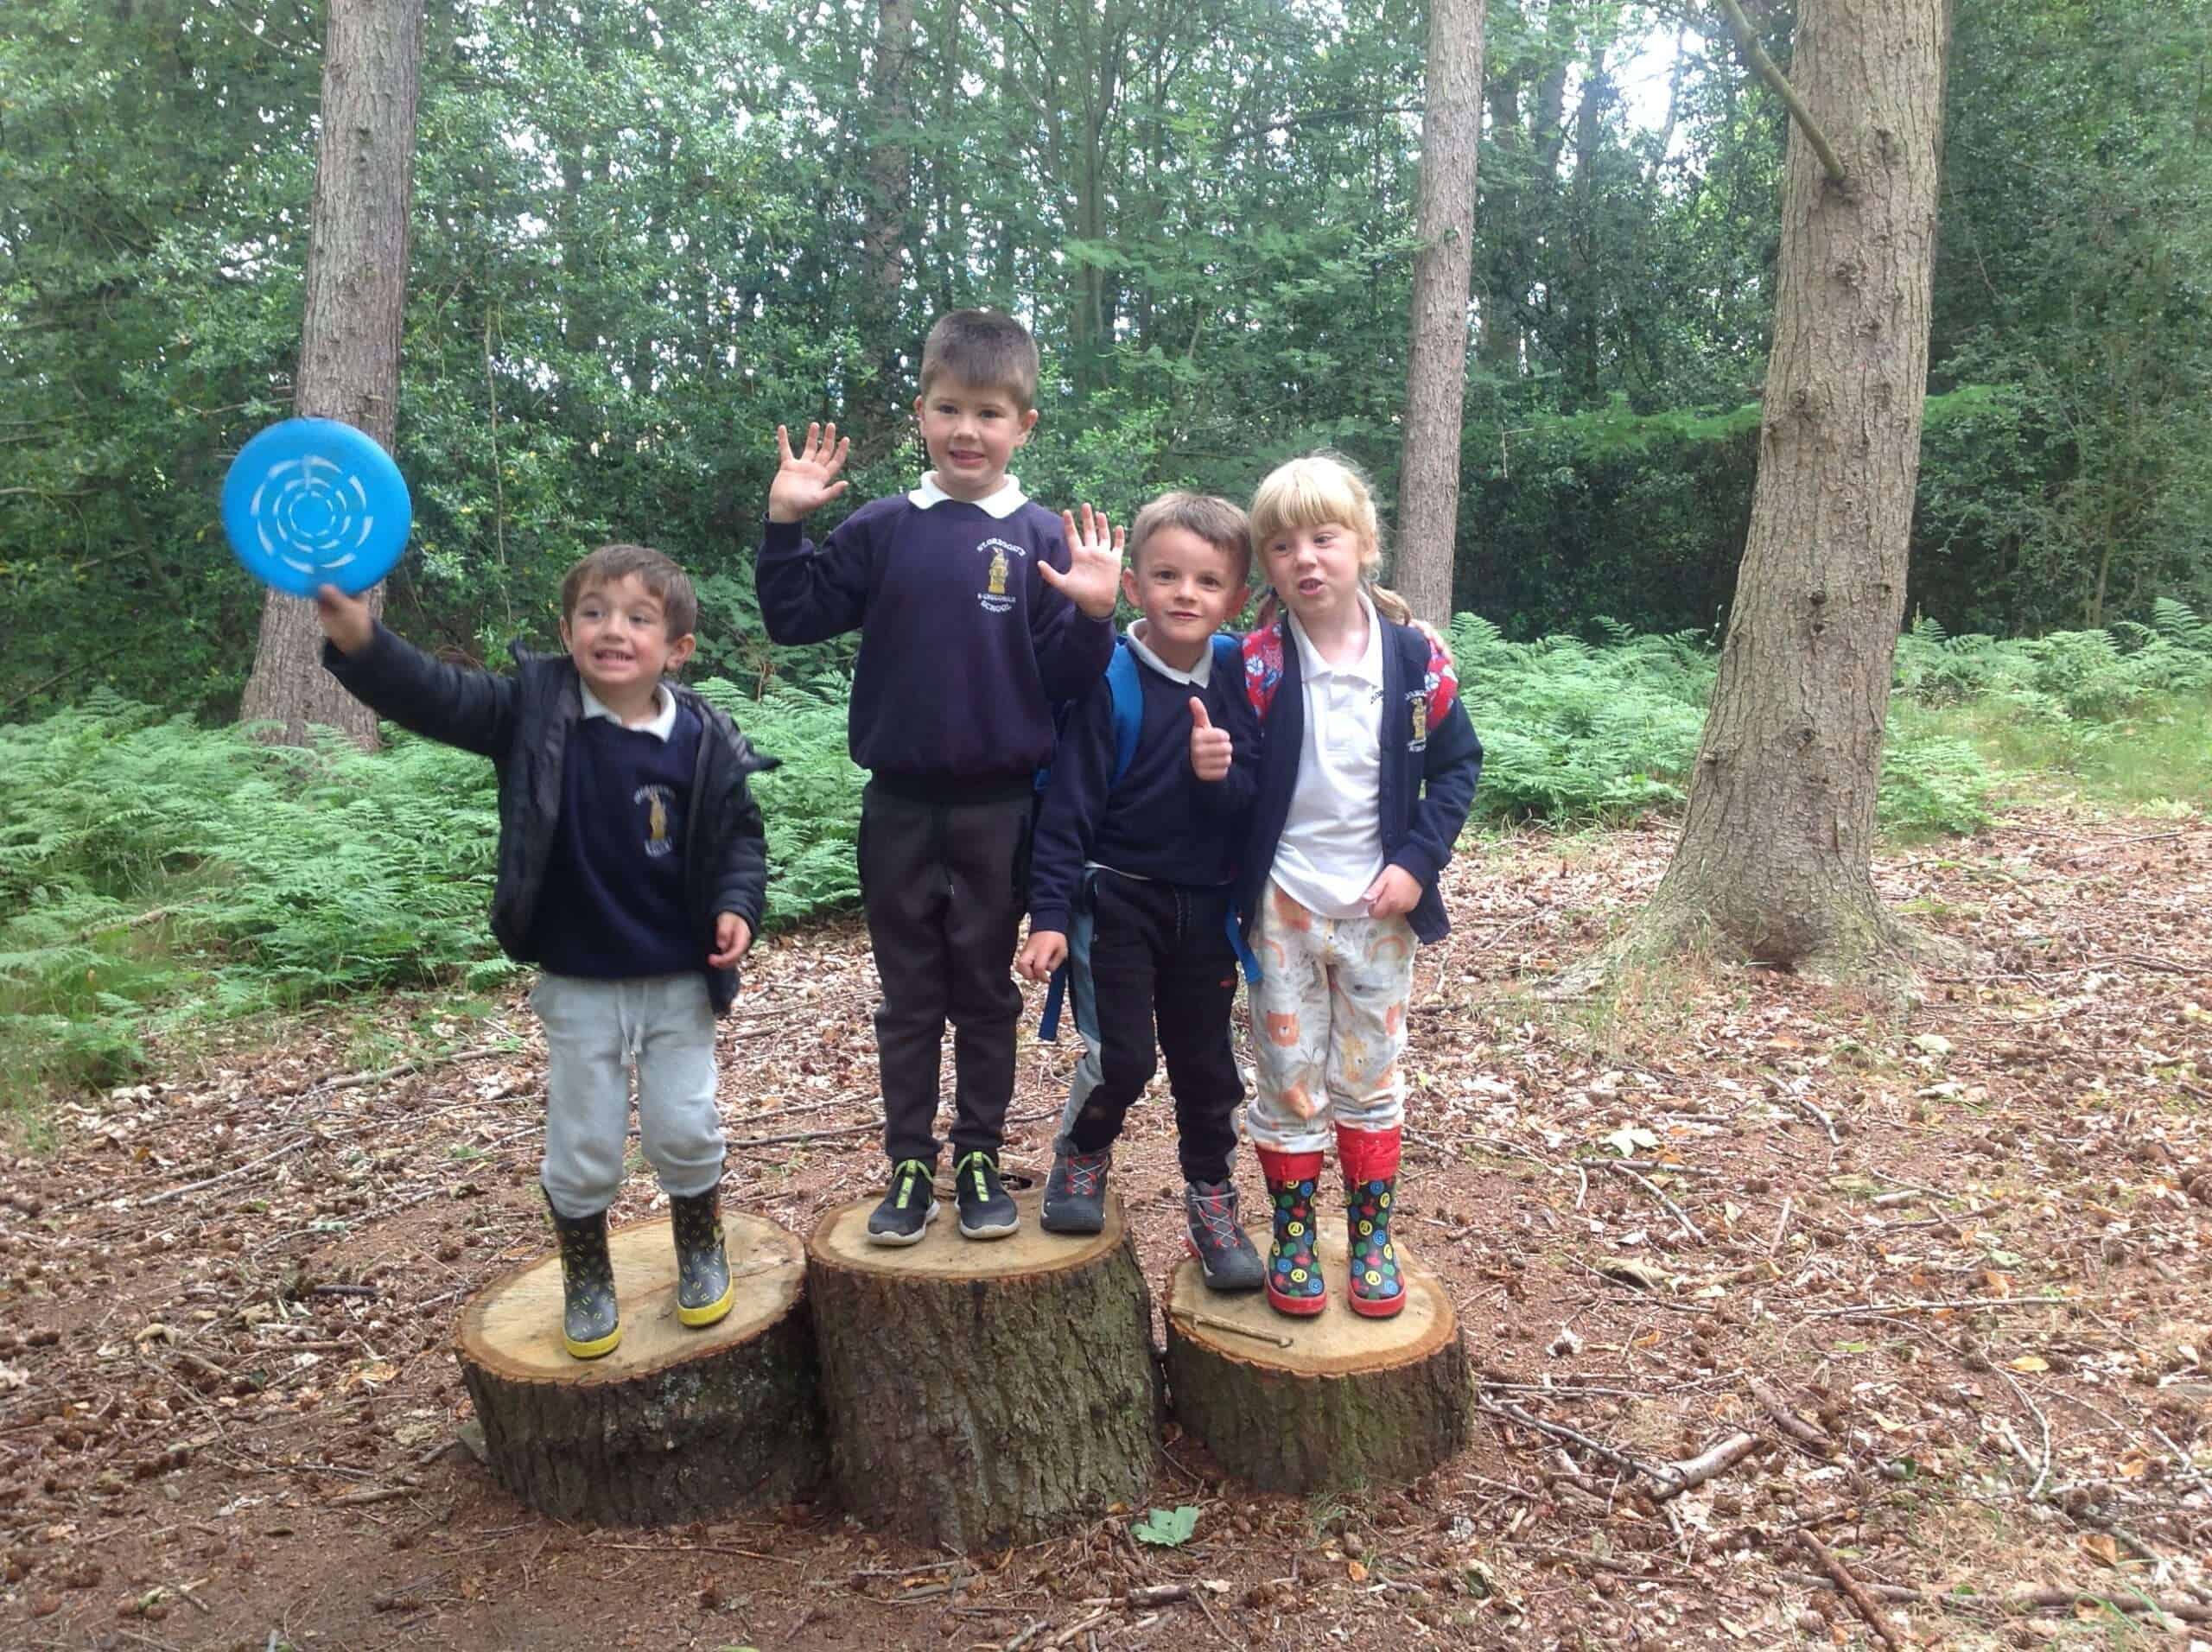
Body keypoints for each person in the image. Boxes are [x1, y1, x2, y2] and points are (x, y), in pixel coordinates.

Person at [316, 544, 772, 1358]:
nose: (613, 630)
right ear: (566, 632)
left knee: (685, 1126)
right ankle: (587, 1272)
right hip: (579, 978)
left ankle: (700, 1246)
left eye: (638, 618)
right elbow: (435, 694)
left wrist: (738, 906)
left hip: (680, 979)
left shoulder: (704, 736)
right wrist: (360, 639)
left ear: (677, 648)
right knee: (585, 1141)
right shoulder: (531, 711)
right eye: (594, 613)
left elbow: (739, 836)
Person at [755, 308, 1122, 1243]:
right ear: (920, 412)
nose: (968, 430)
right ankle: (910, 1162)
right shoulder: (884, 528)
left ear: (1023, 426)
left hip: (1001, 812)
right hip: (899, 808)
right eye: (950, 408)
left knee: (986, 994)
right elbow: (795, 617)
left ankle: (979, 1156)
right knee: (911, 997)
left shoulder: (1042, 538)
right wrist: (786, 525)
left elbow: (1068, 683)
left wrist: (1093, 617)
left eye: (990, 413)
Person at [1233, 454, 1483, 1319]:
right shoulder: (1256, 666)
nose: (1304, 558)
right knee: (1287, 1075)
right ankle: (1294, 1234)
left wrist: (1417, 862)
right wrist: (1211, 769)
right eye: (1281, 546)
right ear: (1266, 566)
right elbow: (1235, 789)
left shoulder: (1415, 660)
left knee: (1370, 1076)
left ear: (1365, 544)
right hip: (1282, 908)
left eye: (1323, 538)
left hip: (1381, 907)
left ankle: (1371, 1237)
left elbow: (1458, 765)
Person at [1016, 492, 1265, 1290]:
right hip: (1118, 901)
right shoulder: (1109, 680)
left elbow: (1256, 800)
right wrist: (1050, 914)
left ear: (1235, 597)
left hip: (1208, 908)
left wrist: (1221, 776)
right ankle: (1082, 1154)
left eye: (1208, 581)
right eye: (1167, 576)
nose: (1186, 594)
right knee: (1121, 1058)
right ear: (1133, 585)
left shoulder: (1242, 676)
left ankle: (1213, 1199)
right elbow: (1067, 810)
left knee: (1208, 1068)